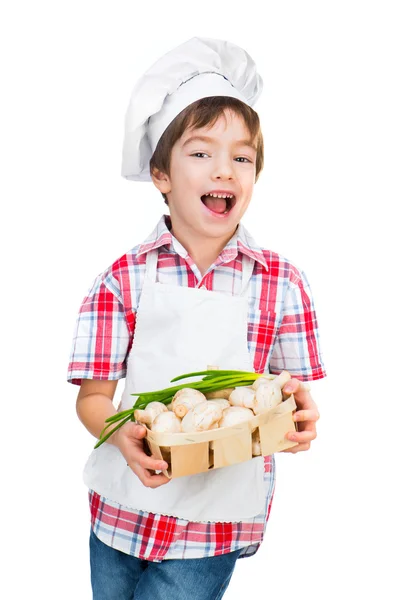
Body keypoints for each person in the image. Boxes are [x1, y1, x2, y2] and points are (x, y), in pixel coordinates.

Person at [67, 36, 326, 600]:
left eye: (242, 157)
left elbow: (290, 394)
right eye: (201, 152)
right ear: (161, 175)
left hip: (215, 525)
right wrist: (121, 432)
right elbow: (92, 400)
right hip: (121, 515)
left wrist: (299, 417)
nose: (224, 170)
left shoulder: (282, 284)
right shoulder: (122, 279)